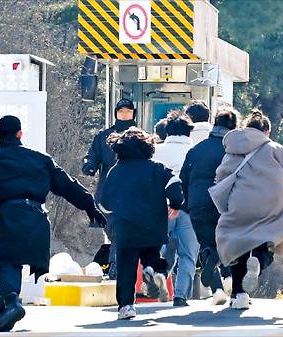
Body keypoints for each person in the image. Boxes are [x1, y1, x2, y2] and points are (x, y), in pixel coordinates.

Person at [0, 115, 107, 332]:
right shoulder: (41, 159)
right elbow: (67, 185)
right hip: (37, 218)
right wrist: (89, 206)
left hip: (8, 215)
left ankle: (10, 303)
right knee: (13, 261)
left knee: (8, 261)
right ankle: (5, 308)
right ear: (20, 134)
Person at [215, 110, 283, 310]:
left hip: (240, 202)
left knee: (238, 245)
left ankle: (239, 295)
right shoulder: (275, 148)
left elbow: (221, 176)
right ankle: (260, 262)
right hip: (272, 204)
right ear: (266, 131)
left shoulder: (233, 148)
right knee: (265, 243)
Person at [99, 127, 183, 320]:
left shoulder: (116, 171)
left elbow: (104, 203)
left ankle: (127, 306)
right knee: (151, 253)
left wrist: (113, 214)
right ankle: (154, 270)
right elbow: (174, 185)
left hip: (125, 227)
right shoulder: (157, 168)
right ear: (148, 147)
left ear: (120, 148)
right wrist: (176, 204)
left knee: (126, 266)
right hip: (153, 224)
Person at [180, 106, 238, 305]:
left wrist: (188, 203)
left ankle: (218, 290)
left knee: (206, 244)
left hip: (198, 203)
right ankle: (228, 275)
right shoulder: (232, 150)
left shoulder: (196, 149)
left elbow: (183, 177)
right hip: (224, 205)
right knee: (227, 243)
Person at [82, 98, 137, 280]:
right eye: (121, 111)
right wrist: (89, 166)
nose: (124, 114)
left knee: (120, 231)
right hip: (107, 194)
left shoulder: (139, 136)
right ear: (116, 113)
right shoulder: (103, 136)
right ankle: (117, 264)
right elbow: (92, 156)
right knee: (114, 231)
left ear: (133, 113)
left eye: (128, 111)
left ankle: (115, 266)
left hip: (132, 194)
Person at [151, 112, 199, 307]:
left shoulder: (155, 151)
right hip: (189, 208)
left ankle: (157, 274)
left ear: (167, 131)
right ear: (189, 132)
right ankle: (180, 296)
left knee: (156, 247)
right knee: (188, 253)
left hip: (160, 208)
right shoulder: (195, 151)